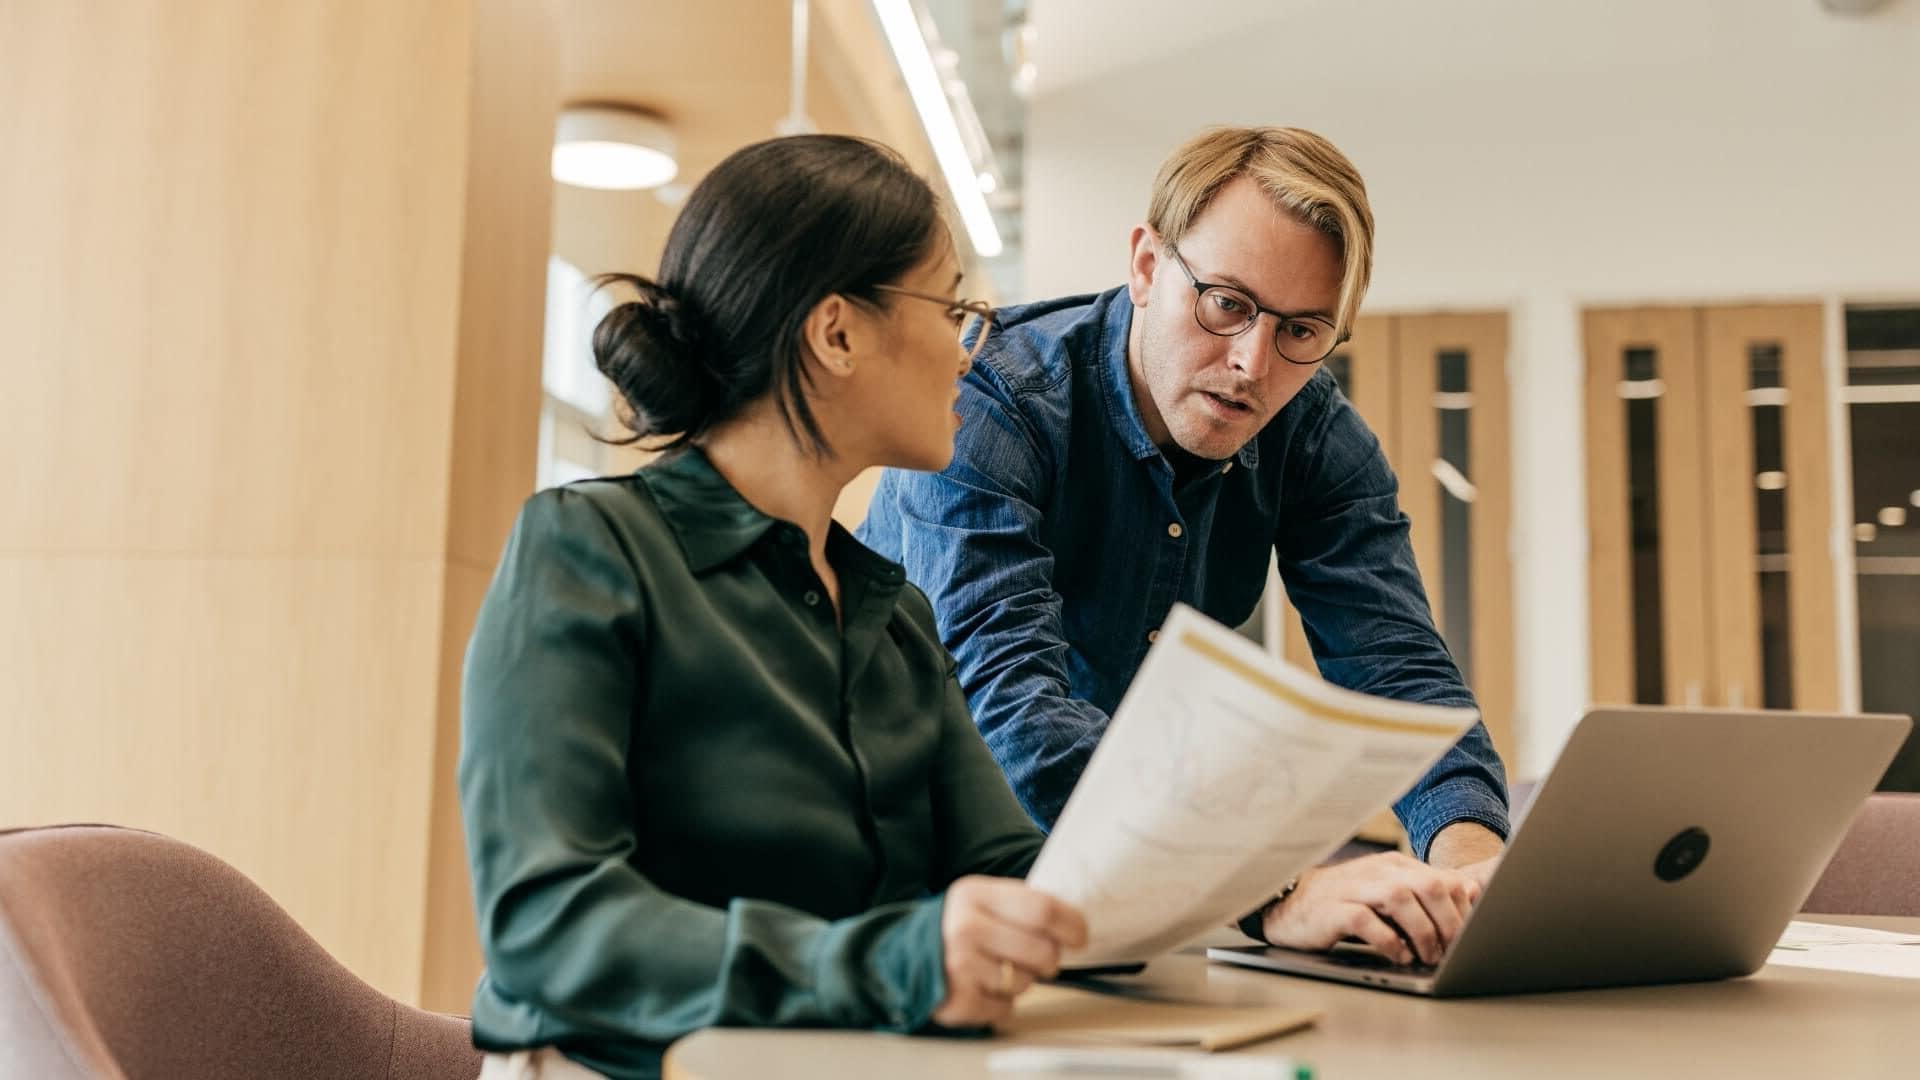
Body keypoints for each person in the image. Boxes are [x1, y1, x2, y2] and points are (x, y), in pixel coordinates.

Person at [459, 135, 1086, 1080]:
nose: (971, 350)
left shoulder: (893, 609)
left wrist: (1269, 891)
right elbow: (546, 921)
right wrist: (892, 965)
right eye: (953, 306)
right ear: (836, 333)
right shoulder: (588, 550)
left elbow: (1013, 870)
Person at [858, 126, 1510, 970]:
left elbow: (1399, 671)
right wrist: (1274, 889)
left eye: (1302, 331)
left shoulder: (1313, 438)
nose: (1252, 364)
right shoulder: (992, 402)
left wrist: (1470, 874)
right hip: (906, 868)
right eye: (1227, 304)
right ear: (1146, 266)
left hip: (1128, 873)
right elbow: (1010, 701)